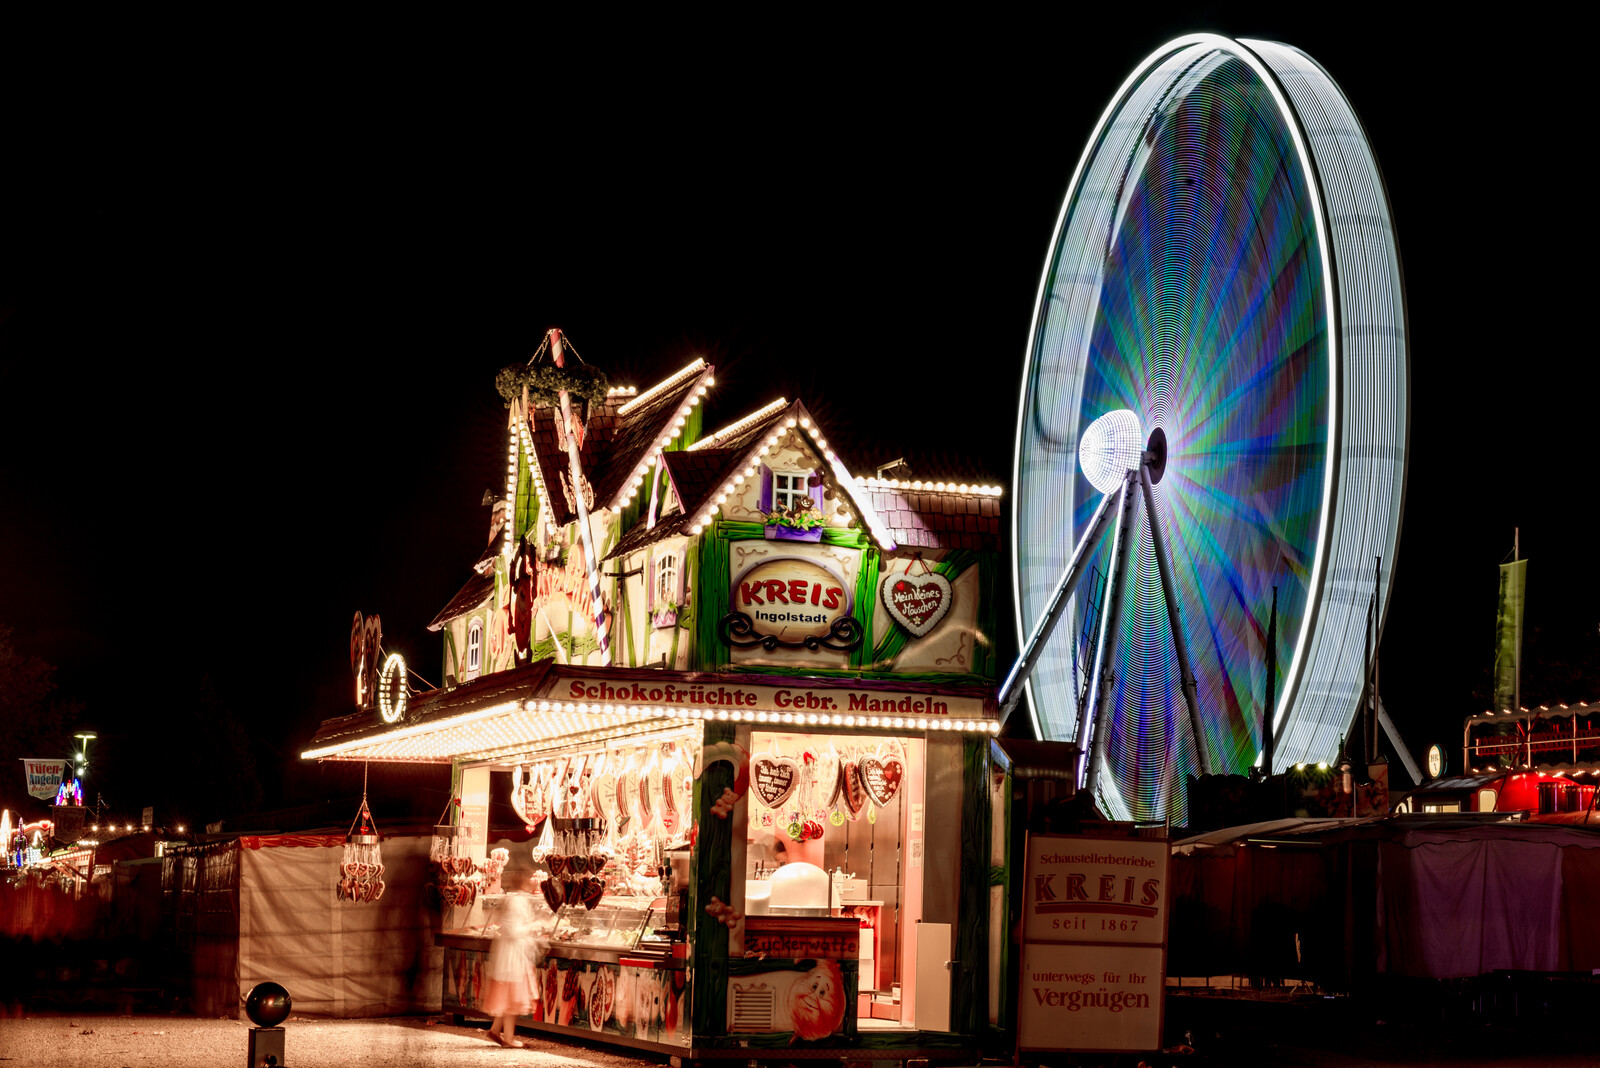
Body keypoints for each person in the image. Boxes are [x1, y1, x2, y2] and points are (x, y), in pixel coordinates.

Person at [482, 890, 541, 1048]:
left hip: (510, 956)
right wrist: (533, 926)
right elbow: (514, 931)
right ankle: (508, 1038)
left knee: (506, 998)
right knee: (511, 998)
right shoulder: (517, 902)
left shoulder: (512, 899)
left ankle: (495, 1030)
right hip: (512, 958)